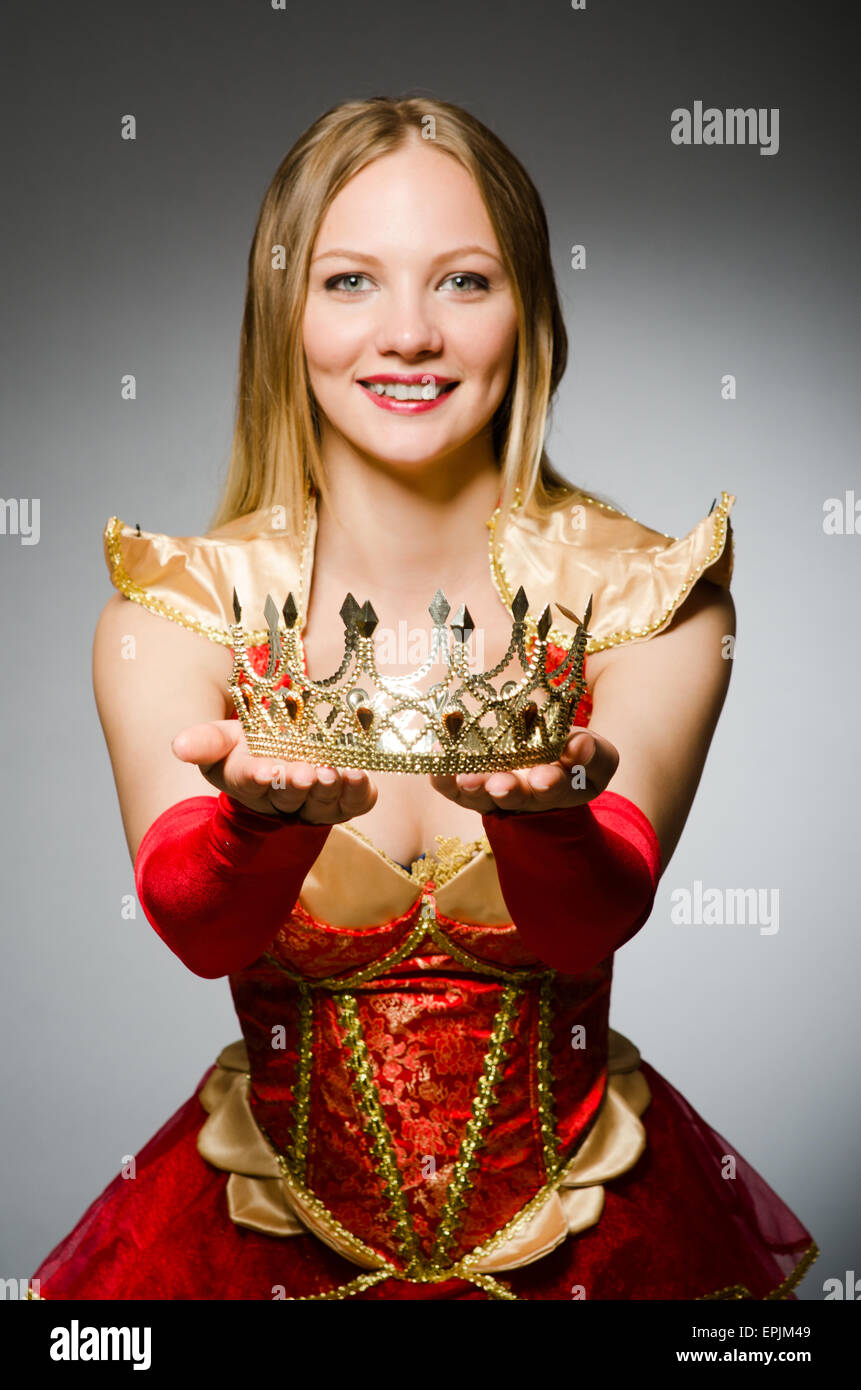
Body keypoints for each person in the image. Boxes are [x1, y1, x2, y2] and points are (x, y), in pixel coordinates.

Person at [30, 95, 816, 1301]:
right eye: (349, 282)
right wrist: (254, 829)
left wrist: (550, 819)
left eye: (462, 281)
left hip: (593, 1238)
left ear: (532, 315)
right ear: (282, 315)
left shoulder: (650, 598)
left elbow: (592, 918)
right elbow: (199, 931)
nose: (408, 334)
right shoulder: (171, 610)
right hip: (251, 1242)